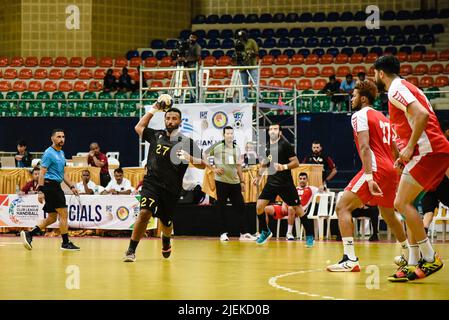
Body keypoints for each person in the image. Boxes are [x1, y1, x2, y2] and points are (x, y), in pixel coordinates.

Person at [374, 55, 449, 280]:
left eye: (374, 73)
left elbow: (423, 115)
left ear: (380, 73)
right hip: (427, 152)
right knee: (408, 205)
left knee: (401, 202)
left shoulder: (395, 88)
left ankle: (429, 257)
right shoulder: (406, 87)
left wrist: (409, 147)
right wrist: (407, 153)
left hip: (429, 151)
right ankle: (414, 260)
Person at [327, 80, 407, 272]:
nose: (351, 98)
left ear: (363, 98)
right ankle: (409, 253)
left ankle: (350, 259)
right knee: (388, 214)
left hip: (375, 169)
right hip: (390, 169)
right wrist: (397, 165)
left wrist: (369, 176)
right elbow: (395, 148)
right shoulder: (383, 117)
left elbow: (364, 146)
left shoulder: (359, 115)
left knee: (342, 206)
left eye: (353, 95)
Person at [123, 101, 205, 262]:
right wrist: (153, 109)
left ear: (180, 122)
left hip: (171, 189)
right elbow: (138, 128)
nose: (170, 121)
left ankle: (166, 240)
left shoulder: (186, 142)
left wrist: (189, 158)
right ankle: (131, 250)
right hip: (151, 183)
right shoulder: (156, 135)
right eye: (168, 118)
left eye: (174, 118)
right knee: (145, 213)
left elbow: (202, 164)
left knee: (166, 222)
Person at [253, 124, 314, 246]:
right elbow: (265, 163)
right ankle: (265, 231)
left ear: (280, 132)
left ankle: (309, 235)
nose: (272, 131)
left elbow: (296, 162)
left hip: (285, 184)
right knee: (259, 207)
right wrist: (259, 176)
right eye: (270, 129)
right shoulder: (268, 146)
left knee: (298, 209)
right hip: (271, 182)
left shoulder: (285, 145)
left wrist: (284, 167)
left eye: (275, 129)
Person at [20, 129, 80, 251]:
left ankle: (29, 234)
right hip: (50, 186)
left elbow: (63, 173)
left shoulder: (62, 153)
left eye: (63, 136)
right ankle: (65, 243)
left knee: (52, 218)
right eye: (58, 136)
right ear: (52, 138)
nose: (61, 139)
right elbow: (42, 173)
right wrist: (41, 191)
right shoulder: (48, 153)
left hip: (55, 186)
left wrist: (72, 186)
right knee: (63, 214)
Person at [204, 126, 256, 241]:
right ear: (223, 135)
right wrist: (213, 169)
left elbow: (238, 165)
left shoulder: (236, 148)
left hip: (235, 182)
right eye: (227, 133)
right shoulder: (217, 146)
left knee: (241, 206)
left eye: (231, 133)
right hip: (221, 181)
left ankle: (244, 233)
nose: (230, 135)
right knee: (221, 207)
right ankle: (223, 233)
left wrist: (242, 181)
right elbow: (204, 155)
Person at [265, 172, 318, 240]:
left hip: (298, 210)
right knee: (265, 209)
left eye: (304, 179)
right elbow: (286, 197)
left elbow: (322, 190)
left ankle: (289, 233)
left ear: (307, 180)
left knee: (291, 208)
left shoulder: (311, 188)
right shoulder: (294, 189)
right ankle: (265, 232)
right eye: (300, 178)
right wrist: (284, 204)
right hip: (287, 207)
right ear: (298, 180)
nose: (302, 180)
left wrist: (323, 186)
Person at [234, 30, 259, 102]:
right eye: (239, 37)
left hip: (252, 65)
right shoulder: (238, 43)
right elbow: (237, 54)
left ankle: (259, 97)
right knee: (244, 84)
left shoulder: (251, 41)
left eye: (241, 37)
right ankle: (245, 98)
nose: (240, 39)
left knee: (254, 83)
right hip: (242, 66)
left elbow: (257, 53)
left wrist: (251, 54)